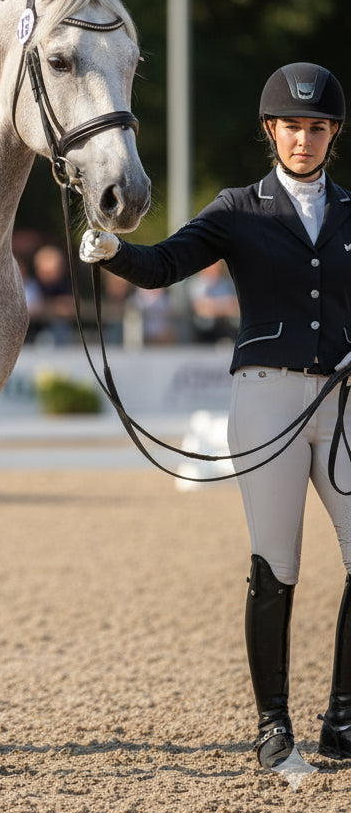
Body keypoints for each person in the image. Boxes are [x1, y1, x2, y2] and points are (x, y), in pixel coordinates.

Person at [79, 62, 351, 771]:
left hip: (343, 403)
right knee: (277, 562)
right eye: (291, 126)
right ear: (271, 130)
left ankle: (344, 720)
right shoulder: (238, 209)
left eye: (316, 127)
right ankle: (273, 726)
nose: (303, 138)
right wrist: (114, 253)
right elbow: (167, 264)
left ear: (333, 134)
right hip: (266, 398)